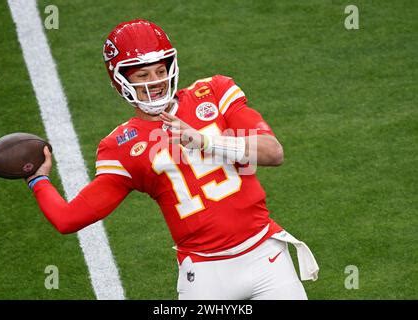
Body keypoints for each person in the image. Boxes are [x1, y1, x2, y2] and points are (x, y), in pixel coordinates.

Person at [27, 19, 319, 300]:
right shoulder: (122, 146)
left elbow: (273, 152)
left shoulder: (214, 93)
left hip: (266, 257)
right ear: (121, 81)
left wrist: (205, 140)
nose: (155, 81)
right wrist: (37, 179)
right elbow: (68, 219)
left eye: (159, 70)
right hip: (206, 275)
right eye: (142, 75)